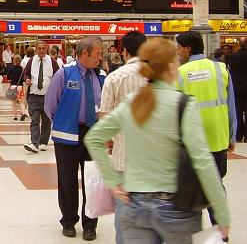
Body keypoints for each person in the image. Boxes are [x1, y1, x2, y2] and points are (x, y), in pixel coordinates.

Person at [85, 38, 231, 243]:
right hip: (176, 208)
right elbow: (202, 161)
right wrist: (221, 212)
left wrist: (113, 181)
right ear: (171, 67)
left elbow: (94, 138)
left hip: (134, 206)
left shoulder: (131, 103)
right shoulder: (183, 105)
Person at [45, 36, 103, 240]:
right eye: (97, 54)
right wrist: (64, 120)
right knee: (67, 180)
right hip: (67, 135)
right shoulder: (64, 73)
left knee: (92, 181)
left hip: (93, 134)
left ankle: (90, 224)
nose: (100, 58)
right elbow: (50, 105)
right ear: (85, 53)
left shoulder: (100, 76)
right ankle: (68, 221)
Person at [176, 31, 236, 226]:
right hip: (218, 137)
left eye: (179, 48)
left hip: (192, 141)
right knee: (215, 184)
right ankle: (220, 228)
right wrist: (231, 136)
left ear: (188, 49)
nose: (177, 52)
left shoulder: (180, 73)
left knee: (190, 187)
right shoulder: (220, 69)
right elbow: (231, 105)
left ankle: (192, 229)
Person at [98, 31, 147, 244]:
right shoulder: (160, 76)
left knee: (124, 208)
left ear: (124, 51)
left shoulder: (114, 78)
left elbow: (105, 118)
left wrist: (109, 141)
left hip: (123, 155)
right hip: (155, 159)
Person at [23, 40, 58, 153]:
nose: (41, 50)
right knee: (34, 120)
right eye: (39, 48)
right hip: (34, 95)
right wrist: (27, 79)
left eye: (43, 48)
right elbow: (26, 73)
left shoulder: (52, 61)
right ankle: (34, 143)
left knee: (46, 121)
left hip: (48, 97)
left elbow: (58, 75)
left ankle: (43, 142)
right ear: (36, 49)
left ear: (47, 49)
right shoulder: (31, 61)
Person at [225, 37, 247, 142]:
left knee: (238, 112)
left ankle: (238, 135)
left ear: (239, 44)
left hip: (236, 88)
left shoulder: (231, 56)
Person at [6, 54, 25, 120]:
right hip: (20, 87)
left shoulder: (11, 68)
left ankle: (15, 116)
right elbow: (23, 79)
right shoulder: (22, 69)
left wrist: (12, 77)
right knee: (21, 102)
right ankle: (23, 113)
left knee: (14, 102)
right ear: (20, 61)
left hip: (13, 86)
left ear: (14, 60)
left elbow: (8, 77)